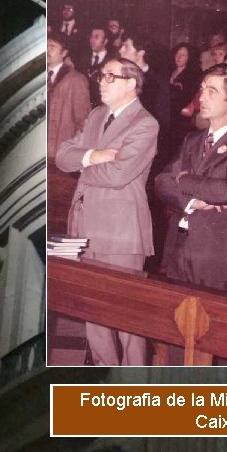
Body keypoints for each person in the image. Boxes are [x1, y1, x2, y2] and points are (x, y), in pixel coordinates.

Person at [55, 57, 159, 366]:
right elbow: (62, 155)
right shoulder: (97, 115)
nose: (101, 81)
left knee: (128, 317)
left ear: (131, 84)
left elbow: (118, 175)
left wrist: (82, 164)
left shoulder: (146, 123)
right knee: (93, 311)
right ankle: (104, 376)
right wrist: (94, 155)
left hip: (121, 230)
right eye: (101, 75)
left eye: (110, 76)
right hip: (86, 225)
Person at [155, 64, 227, 292]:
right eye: (202, 89)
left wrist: (184, 180)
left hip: (215, 255)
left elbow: (226, 191)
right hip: (178, 246)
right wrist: (191, 201)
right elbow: (162, 182)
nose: (201, 97)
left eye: (211, 91)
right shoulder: (192, 140)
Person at [47, 32, 91, 159]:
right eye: (46, 46)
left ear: (64, 52)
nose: (47, 50)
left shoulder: (77, 80)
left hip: (61, 152)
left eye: (52, 47)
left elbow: (83, 122)